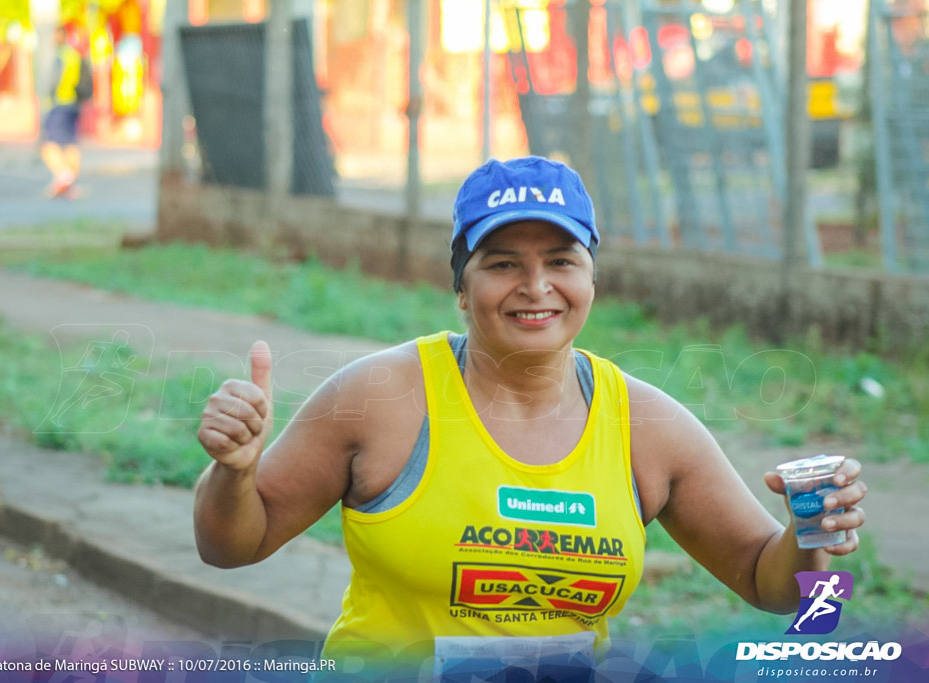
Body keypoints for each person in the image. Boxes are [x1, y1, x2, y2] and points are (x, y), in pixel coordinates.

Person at [194, 156, 868, 678]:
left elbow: (765, 579)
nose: (537, 286)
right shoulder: (380, 398)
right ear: (462, 286)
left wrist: (811, 535)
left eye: (561, 261)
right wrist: (234, 473)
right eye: (503, 263)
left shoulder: (646, 427)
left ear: (592, 280)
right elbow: (230, 545)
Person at [40, 25, 87, 199]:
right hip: (74, 104)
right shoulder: (74, 55)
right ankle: (70, 183)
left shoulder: (60, 57)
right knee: (70, 144)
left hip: (59, 103)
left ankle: (64, 176)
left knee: (49, 145)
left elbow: (54, 81)